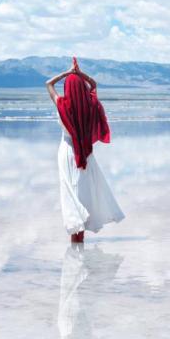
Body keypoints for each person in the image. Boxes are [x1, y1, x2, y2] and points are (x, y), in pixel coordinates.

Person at [46, 58, 125, 243]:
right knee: (83, 191)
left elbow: (48, 83)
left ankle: (76, 242)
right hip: (86, 154)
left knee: (70, 191)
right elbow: (94, 84)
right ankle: (79, 238)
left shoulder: (62, 106)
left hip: (67, 152)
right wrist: (80, 75)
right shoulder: (91, 106)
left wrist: (67, 73)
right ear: (82, 88)